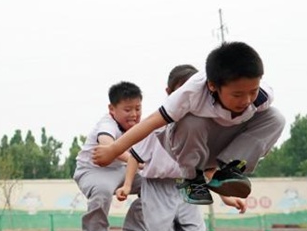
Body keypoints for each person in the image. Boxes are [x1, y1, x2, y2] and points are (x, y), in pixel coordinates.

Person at [116, 65, 246, 231]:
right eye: (182, 92)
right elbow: (135, 156)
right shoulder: (157, 124)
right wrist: (127, 184)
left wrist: (226, 197)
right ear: (169, 93)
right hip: (157, 189)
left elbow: (208, 170)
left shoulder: (204, 128)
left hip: (189, 188)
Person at [93, 42, 285, 205]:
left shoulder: (261, 97)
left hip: (221, 145)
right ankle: (192, 179)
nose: (246, 100)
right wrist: (114, 150)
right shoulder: (191, 93)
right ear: (212, 85)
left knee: (275, 117)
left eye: (252, 91)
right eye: (237, 94)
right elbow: (151, 122)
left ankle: (230, 168)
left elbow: (263, 128)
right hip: (185, 145)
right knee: (192, 121)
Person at [73, 82, 152, 231]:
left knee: (156, 184)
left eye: (137, 109)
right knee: (102, 191)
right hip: (93, 170)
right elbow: (108, 146)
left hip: (122, 169)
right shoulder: (107, 124)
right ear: (112, 109)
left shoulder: (140, 126)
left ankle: (136, 227)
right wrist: (139, 161)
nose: (133, 114)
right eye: (127, 109)